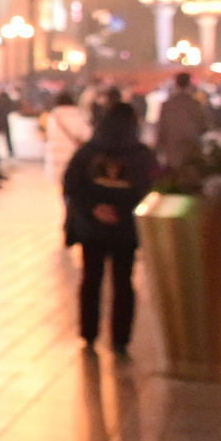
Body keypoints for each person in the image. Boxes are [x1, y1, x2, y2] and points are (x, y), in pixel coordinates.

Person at [63, 104, 157, 351]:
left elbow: (71, 185)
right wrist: (124, 212)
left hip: (91, 227)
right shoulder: (141, 154)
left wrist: (94, 208)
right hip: (125, 228)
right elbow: (151, 188)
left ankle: (89, 332)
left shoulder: (88, 152)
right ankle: (120, 338)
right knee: (123, 281)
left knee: (91, 278)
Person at [42, 85, 91, 181]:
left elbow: (49, 135)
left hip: (56, 155)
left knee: (59, 181)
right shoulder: (80, 115)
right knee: (72, 182)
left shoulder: (53, 117)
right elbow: (87, 134)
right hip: (73, 155)